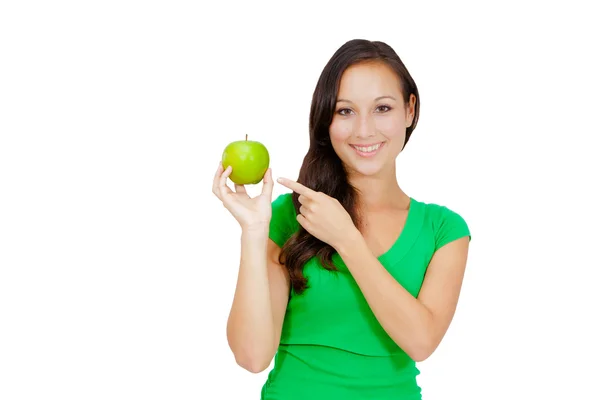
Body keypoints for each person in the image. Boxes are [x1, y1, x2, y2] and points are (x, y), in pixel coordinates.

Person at [212, 38, 472, 400]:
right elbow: (252, 356)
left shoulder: (443, 230)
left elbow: (421, 341)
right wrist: (255, 232)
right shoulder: (292, 217)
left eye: (382, 108)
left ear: (410, 111)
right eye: (345, 111)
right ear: (326, 119)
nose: (364, 130)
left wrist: (347, 240)